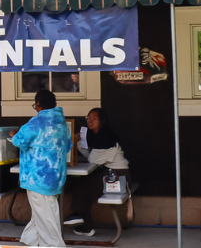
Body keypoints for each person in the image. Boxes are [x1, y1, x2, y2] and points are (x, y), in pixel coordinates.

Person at [9, 90, 71, 247]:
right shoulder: (62, 123)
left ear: (38, 104)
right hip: (56, 177)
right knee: (45, 212)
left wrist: (14, 134)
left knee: (45, 215)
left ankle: (54, 245)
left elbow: (19, 141)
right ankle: (29, 240)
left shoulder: (35, 123)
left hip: (37, 177)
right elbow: (68, 145)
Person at [65, 107, 131, 237]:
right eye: (88, 118)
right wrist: (78, 142)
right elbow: (91, 155)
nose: (90, 121)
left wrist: (78, 143)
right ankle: (82, 221)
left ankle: (80, 217)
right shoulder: (94, 136)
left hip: (119, 175)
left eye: (94, 118)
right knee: (83, 182)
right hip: (108, 172)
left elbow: (92, 159)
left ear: (102, 121)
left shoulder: (107, 138)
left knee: (85, 184)